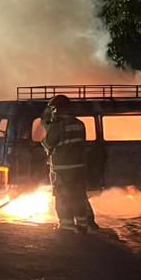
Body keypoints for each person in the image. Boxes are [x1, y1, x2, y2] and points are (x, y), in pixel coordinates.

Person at [40, 94, 97, 232]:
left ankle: (67, 226)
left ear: (57, 109)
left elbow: (48, 144)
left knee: (62, 197)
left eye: (53, 109)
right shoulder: (79, 124)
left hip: (62, 168)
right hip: (79, 167)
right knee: (78, 195)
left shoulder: (57, 126)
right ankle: (83, 224)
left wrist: (47, 126)